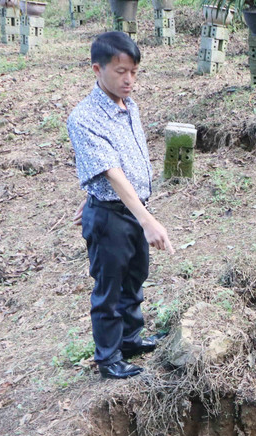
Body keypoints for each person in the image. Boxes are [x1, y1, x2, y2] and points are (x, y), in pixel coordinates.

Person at [67, 32, 175, 380]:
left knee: (134, 277)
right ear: (97, 69)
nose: (129, 80)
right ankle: (109, 358)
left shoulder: (130, 107)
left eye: (134, 72)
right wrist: (148, 220)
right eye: (120, 71)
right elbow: (112, 173)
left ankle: (131, 338)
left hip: (131, 210)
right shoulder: (84, 118)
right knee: (109, 288)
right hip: (112, 215)